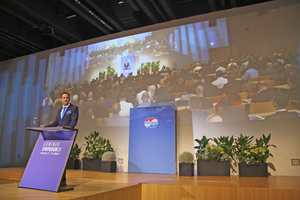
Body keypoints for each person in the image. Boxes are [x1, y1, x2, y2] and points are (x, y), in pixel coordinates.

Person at [46, 92, 79, 187]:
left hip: (67, 135)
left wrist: (68, 128)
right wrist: (45, 127)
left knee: (63, 158)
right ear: (61, 99)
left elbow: (74, 121)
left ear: (69, 99)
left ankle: (63, 180)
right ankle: (57, 179)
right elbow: (56, 122)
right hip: (58, 136)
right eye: (63, 98)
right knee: (57, 158)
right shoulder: (59, 110)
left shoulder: (74, 108)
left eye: (67, 98)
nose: (65, 99)